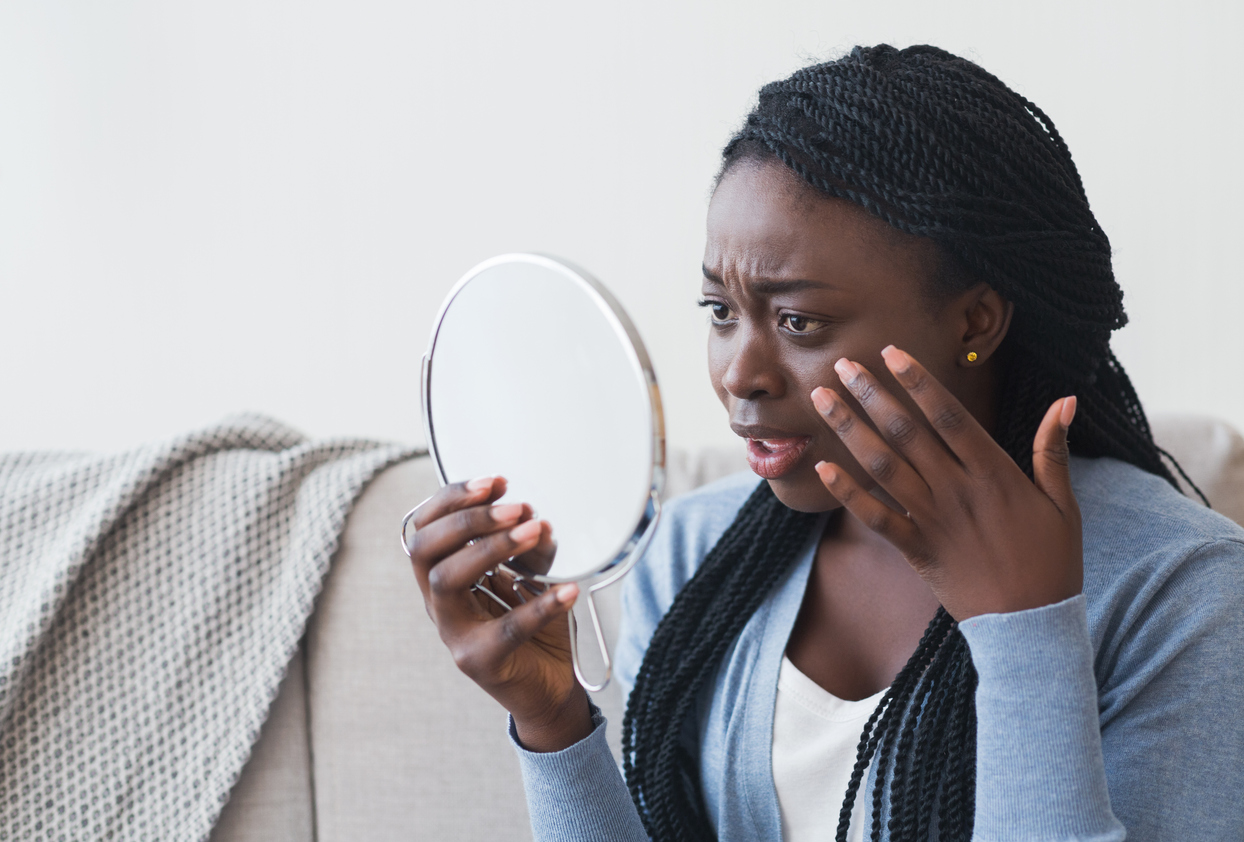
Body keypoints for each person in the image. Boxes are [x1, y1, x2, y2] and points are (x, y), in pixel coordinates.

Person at [404, 45, 1244, 841]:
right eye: (721, 313)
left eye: (799, 320)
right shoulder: (694, 554)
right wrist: (554, 727)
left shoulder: (1183, 595)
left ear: (975, 322)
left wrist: (1027, 631)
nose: (741, 373)